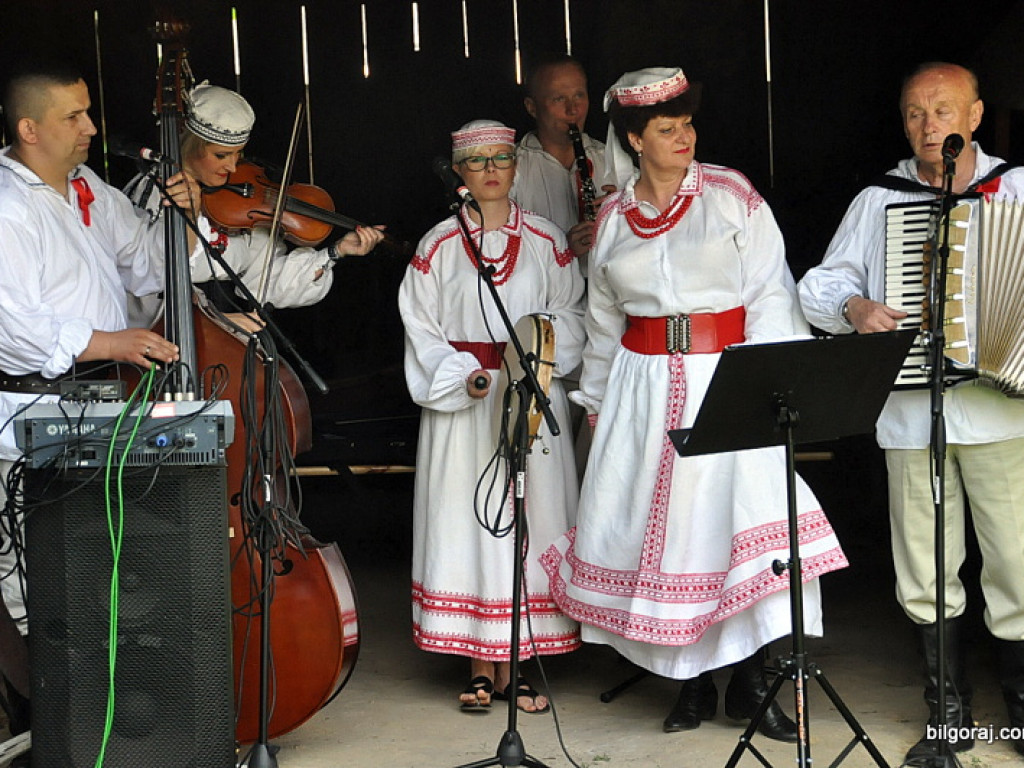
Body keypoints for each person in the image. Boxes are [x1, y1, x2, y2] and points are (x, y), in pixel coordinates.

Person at [540, 67, 848, 738]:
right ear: (633, 139)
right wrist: (595, 402)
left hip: (728, 378)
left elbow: (771, 292)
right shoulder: (615, 219)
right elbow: (602, 323)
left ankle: (753, 682)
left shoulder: (733, 196)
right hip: (642, 390)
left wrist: (766, 381)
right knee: (667, 540)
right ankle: (688, 683)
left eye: (687, 125)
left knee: (736, 529)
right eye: (666, 128)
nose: (685, 137)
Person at [798, 61, 1024, 762]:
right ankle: (946, 718)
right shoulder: (880, 200)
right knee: (923, 567)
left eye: (944, 111)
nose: (930, 127)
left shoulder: (1015, 190)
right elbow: (817, 286)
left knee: (1018, 563)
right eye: (916, 114)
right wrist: (854, 307)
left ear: (976, 116)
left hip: (1001, 413)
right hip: (907, 415)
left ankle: (1021, 708)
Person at [0, 58, 189, 751]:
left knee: (110, 572)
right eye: (72, 116)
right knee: (38, 582)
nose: (90, 126)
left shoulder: (93, 191)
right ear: (29, 129)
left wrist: (177, 218)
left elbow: (148, 276)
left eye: (88, 111)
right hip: (27, 411)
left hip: (105, 403)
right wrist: (108, 339)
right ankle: (52, 731)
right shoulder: (7, 207)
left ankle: (115, 728)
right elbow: (12, 327)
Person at [398, 120, 585, 713]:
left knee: (531, 520)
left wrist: (534, 358)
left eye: (501, 159)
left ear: (516, 165)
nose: (490, 171)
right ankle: (480, 663)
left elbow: (573, 313)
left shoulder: (548, 241)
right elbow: (421, 328)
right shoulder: (436, 247)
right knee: (470, 522)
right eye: (476, 162)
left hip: (531, 394)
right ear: (459, 173)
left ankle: (521, 663)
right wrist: (462, 376)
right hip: (465, 406)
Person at [125, 83, 383, 328]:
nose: (233, 167)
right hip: (170, 345)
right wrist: (216, 320)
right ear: (188, 145)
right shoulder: (154, 193)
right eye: (221, 155)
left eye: (239, 153)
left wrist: (336, 251)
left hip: (228, 334)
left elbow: (266, 279)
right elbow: (145, 287)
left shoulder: (243, 202)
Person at [510, 54, 615, 273]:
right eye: (559, 98)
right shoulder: (509, 169)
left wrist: (623, 214)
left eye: (579, 95)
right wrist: (561, 252)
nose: (573, 109)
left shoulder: (612, 161)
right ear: (531, 107)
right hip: (544, 300)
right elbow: (494, 252)